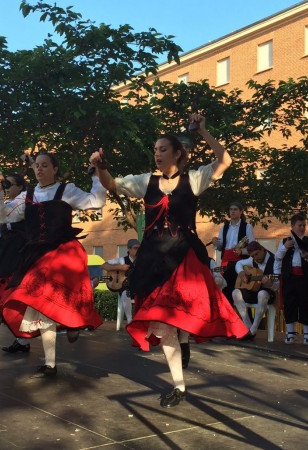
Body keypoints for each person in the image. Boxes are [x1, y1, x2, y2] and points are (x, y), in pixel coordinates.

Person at [90, 114, 248, 408]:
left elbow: (224, 160)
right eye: (155, 150)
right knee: (163, 324)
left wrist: (204, 130)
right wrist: (101, 168)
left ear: (178, 154)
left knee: (184, 310)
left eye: (163, 149)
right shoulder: (144, 181)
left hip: (184, 257)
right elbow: (112, 184)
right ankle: (179, 386)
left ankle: (185, 339)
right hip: (155, 259)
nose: (157, 154)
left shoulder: (195, 179)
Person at [1, 153, 106, 378]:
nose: (39, 169)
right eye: (37, 166)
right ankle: (51, 363)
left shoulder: (67, 190)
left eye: (44, 165)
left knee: (48, 300)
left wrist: (97, 177)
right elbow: (4, 215)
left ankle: (73, 322)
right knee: (41, 305)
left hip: (63, 252)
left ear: (55, 169)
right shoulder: (25, 196)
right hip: (37, 254)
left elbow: (96, 201)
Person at [0, 173, 32, 353]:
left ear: (21, 187)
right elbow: (2, 224)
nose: (7, 187)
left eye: (10, 184)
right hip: (5, 252)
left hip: (18, 252)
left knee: (15, 296)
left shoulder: (24, 203)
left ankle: (23, 339)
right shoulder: (8, 205)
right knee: (5, 296)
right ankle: (20, 340)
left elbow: (7, 216)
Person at [274, 214, 308, 345]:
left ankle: (307, 334)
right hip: (289, 277)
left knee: (305, 303)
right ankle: (291, 333)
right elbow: (277, 257)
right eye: (299, 225)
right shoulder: (285, 241)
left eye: (303, 225)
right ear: (293, 226)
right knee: (289, 303)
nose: (302, 228)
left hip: (304, 277)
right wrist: (285, 247)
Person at [233, 241, 279, 340]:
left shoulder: (274, 260)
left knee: (262, 294)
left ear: (262, 249)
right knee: (235, 293)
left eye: (257, 254)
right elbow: (238, 264)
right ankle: (248, 327)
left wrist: (270, 283)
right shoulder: (252, 259)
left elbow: (277, 285)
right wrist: (241, 273)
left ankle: (253, 331)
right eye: (253, 256)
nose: (255, 258)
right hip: (255, 290)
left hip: (268, 293)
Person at [211, 202, 255, 303]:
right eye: (231, 209)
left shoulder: (247, 227)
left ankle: (243, 317)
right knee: (226, 288)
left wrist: (242, 251)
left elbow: (252, 247)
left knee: (240, 289)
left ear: (241, 211)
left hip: (240, 262)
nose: (232, 211)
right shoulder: (224, 227)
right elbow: (220, 246)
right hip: (226, 261)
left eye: (235, 209)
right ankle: (229, 315)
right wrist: (215, 242)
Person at [102, 238, 140, 326]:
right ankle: (130, 321)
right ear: (129, 249)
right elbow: (103, 265)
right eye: (135, 248)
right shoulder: (122, 260)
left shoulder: (142, 261)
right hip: (126, 288)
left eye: (139, 248)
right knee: (125, 293)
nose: (138, 250)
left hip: (138, 288)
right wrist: (119, 267)